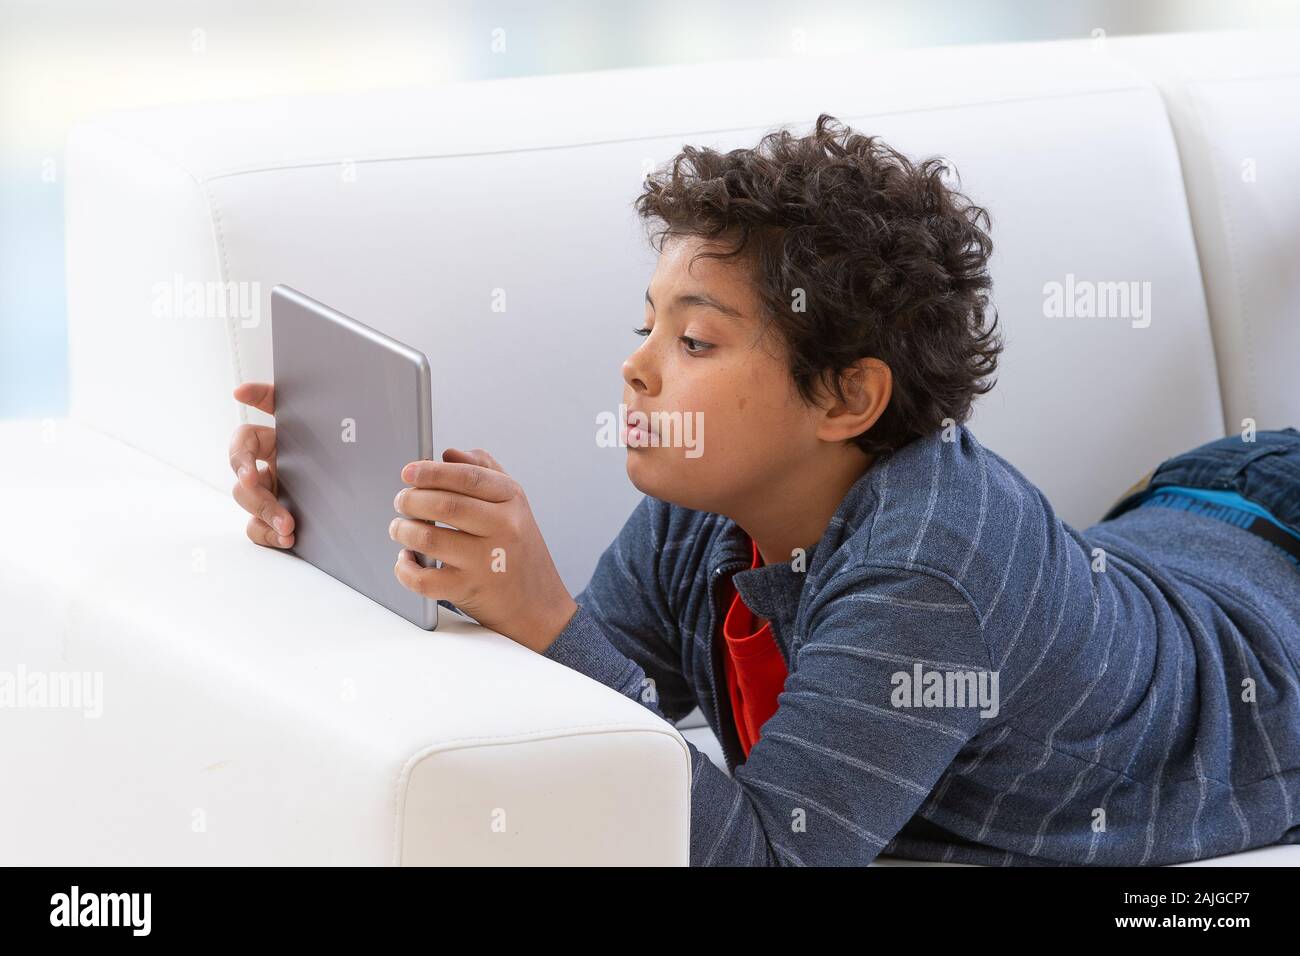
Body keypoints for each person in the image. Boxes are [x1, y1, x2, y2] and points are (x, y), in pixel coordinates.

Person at [228, 114, 1300, 866]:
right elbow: (590, 714)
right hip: (1195, 513)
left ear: (845, 397)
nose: (637, 366)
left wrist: (544, 613)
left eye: (693, 337)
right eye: (643, 323)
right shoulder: (699, 512)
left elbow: (766, 855)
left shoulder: (926, 575)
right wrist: (394, 536)